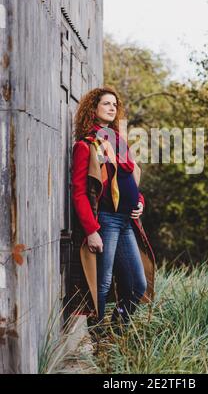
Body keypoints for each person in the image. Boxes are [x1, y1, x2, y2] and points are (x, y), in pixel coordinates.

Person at [69, 86, 155, 346]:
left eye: (115, 104)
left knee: (137, 285)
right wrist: (91, 229)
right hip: (105, 221)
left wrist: (139, 202)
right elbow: (79, 193)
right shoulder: (86, 145)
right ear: (92, 108)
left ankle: (117, 331)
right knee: (102, 285)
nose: (111, 108)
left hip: (127, 222)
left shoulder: (118, 141)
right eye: (106, 103)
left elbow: (130, 180)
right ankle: (97, 341)